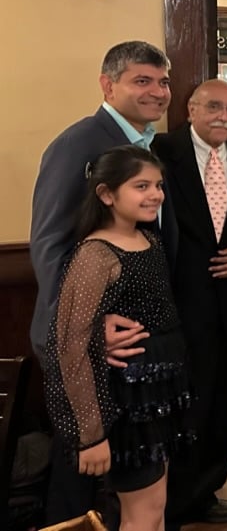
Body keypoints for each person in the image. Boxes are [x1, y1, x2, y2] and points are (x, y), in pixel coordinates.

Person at [29, 40, 177, 524]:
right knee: (85, 486)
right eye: (142, 80)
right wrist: (90, 329)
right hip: (92, 344)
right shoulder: (79, 142)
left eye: (163, 81)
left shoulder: (147, 145)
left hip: (140, 350)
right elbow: (51, 244)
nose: (157, 91)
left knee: (134, 487)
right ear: (107, 84)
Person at [44, 146, 191, 531]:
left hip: (156, 393)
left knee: (155, 506)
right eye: (140, 186)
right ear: (107, 194)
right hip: (127, 402)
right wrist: (90, 434)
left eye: (158, 185)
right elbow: (70, 347)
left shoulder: (149, 241)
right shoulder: (96, 253)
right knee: (141, 514)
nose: (155, 194)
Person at [154, 79, 227, 524]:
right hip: (174, 302)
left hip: (226, 303)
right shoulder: (162, 152)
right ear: (191, 109)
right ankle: (172, 501)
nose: (224, 116)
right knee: (182, 403)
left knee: (221, 402)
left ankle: (205, 491)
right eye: (214, 107)